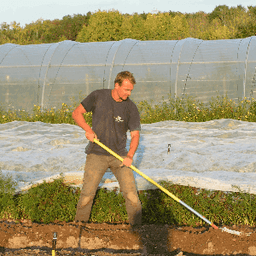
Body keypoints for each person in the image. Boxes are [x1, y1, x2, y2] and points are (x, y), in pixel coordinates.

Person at [72, 71, 142, 226]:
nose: (129, 93)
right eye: (126, 89)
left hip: (120, 157)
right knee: (87, 195)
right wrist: (88, 130)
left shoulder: (130, 107)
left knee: (131, 195)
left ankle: (138, 230)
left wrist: (129, 156)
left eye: (131, 90)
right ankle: (78, 228)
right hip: (97, 154)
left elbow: (135, 135)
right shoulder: (98, 96)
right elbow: (77, 113)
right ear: (116, 85)